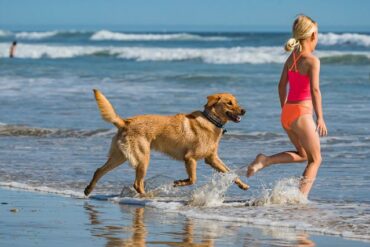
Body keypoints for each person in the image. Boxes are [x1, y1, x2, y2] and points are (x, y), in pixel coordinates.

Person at [247, 15, 328, 198]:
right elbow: (315, 90)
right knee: (316, 159)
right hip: (302, 114)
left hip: (288, 113)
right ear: (312, 36)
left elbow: (281, 85)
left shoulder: (292, 58)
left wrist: (285, 108)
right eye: (318, 35)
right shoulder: (312, 60)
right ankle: (300, 199)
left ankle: (265, 160)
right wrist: (320, 117)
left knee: (304, 155)